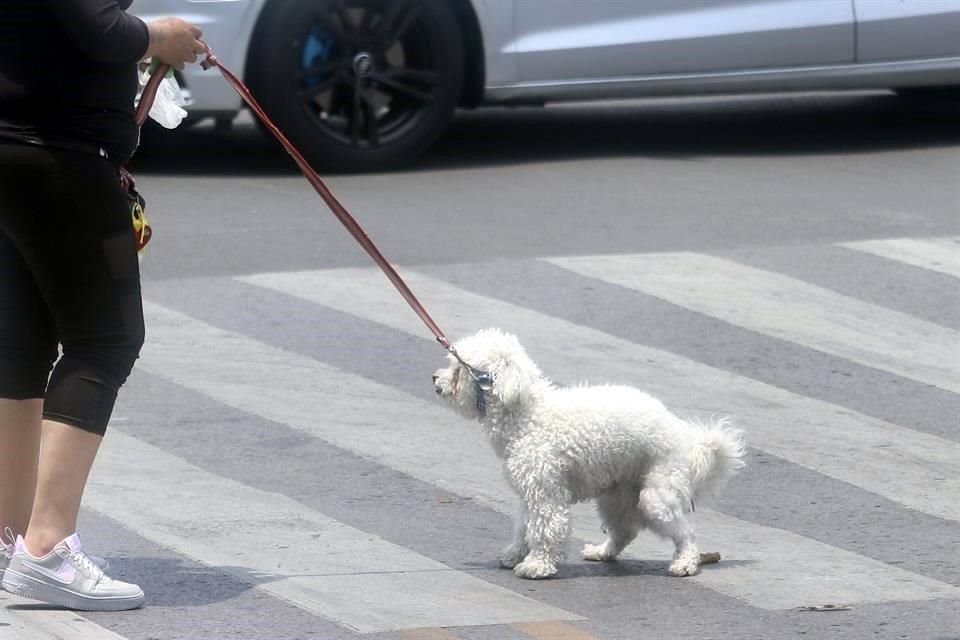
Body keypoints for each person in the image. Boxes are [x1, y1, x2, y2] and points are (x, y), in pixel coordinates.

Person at [0, 0, 204, 611]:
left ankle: (10, 537)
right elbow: (91, 24)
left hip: (12, 146)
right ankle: (47, 545)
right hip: (61, 154)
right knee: (106, 339)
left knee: (21, 346)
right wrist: (157, 36)